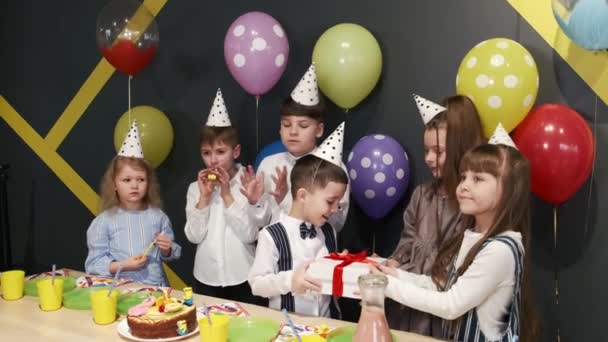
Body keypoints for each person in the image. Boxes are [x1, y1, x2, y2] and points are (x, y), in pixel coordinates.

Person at [376, 124, 538, 341]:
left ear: (509, 189)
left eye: (478, 179)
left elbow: (450, 304)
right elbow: (442, 284)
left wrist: (384, 286)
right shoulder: (473, 236)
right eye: (463, 177)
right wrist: (396, 275)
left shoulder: (500, 250)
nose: (463, 186)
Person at [386, 94, 485, 336]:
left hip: (444, 309)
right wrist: (390, 264)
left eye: (438, 151)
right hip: (408, 305)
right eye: (426, 150)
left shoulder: (472, 207)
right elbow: (407, 242)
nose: (428, 158)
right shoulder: (422, 195)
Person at [249, 123, 347, 318]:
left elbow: (327, 282)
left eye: (338, 203)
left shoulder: (329, 231)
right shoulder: (271, 235)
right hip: (288, 327)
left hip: (327, 324)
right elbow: (256, 284)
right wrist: (290, 281)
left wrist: (339, 268)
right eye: (330, 201)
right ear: (303, 196)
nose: (335, 209)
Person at [241, 65, 349, 232]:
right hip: (277, 252)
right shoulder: (269, 164)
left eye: (303, 125)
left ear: (319, 130)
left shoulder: (334, 168)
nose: (293, 131)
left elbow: (335, 225)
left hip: (317, 251)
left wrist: (286, 200)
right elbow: (261, 223)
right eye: (286, 124)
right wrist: (255, 202)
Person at [184, 89, 260, 304]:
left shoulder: (247, 183)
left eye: (220, 151)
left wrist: (227, 194)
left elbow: (249, 235)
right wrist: (204, 199)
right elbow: (194, 236)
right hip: (207, 277)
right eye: (206, 153)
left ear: (235, 152)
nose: (213, 160)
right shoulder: (194, 188)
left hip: (243, 275)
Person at [85, 121, 181, 286]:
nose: (134, 185)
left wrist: (167, 249)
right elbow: (93, 264)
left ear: (148, 183)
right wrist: (124, 265)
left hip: (155, 289)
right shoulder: (104, 221)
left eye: (141, 180)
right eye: (127, 180)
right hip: (121, 289)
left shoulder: (158, 217)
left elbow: (173, 252)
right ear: (114, 184)